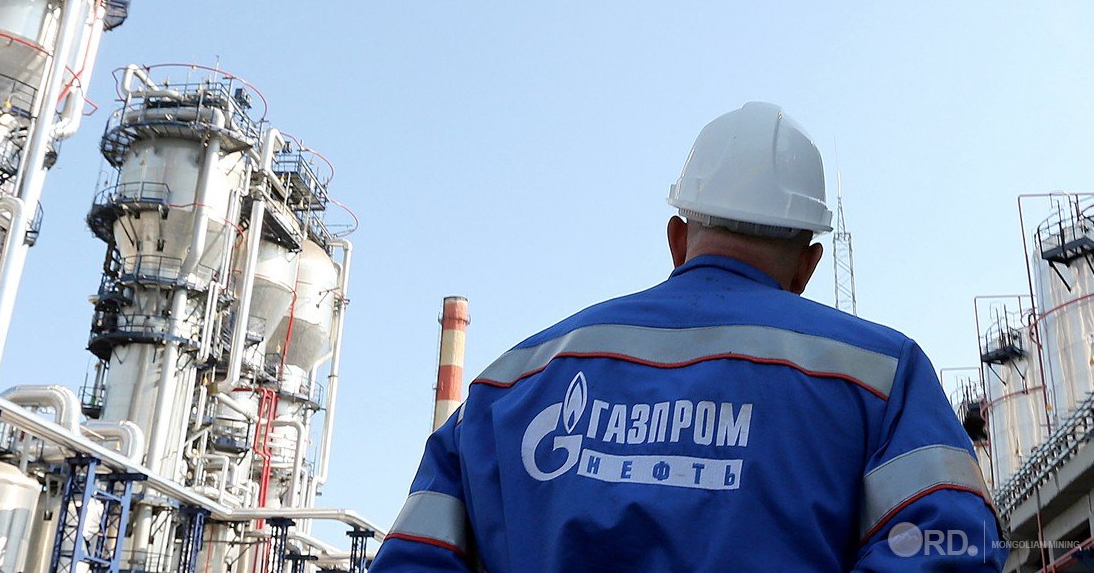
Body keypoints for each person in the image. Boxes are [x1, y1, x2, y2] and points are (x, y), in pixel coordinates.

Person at [372, 102, 1003, 571]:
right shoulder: (883, 376)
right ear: (808, 266)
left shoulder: (506, 387)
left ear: (678, 238)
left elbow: (414, 559)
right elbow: (953, 547)